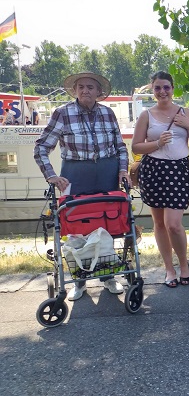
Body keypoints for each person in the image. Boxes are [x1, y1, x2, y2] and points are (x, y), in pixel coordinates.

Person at [34, 72, 129, 300]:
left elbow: (121, 147)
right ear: (75, 91)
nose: (85, 91)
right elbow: (41, 148)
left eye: (90, 87)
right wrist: (52, 176)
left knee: (107, 224)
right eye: (81, 87)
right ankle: (79, 281)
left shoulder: (108, 113)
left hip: (107, 172)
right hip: (75, 173)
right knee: (76, 227)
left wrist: (123, 169)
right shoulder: (62, 113)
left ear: (98, 92)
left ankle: (108, 277)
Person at [131, 71, 189, 288]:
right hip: (154, 170)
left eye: (166, 87)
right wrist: (157, 144)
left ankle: (183, 264)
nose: (162, 91)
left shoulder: (186, 112)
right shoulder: (146, 115)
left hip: (179, 171)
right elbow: (136, 146)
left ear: (172, 89)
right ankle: (169, 268)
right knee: (159, 224)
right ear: (153, 91)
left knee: (173, 224)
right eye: (157, 88)